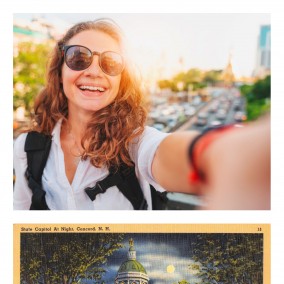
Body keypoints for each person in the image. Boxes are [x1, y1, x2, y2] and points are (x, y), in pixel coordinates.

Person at [13, 18, 270, 210]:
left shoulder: (134, 144)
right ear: (60, 70)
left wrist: (222, 153)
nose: (94, 71)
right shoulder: (27, 148)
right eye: (78, 57)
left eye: (110, 62)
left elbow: (165, 152)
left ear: (121, 80)